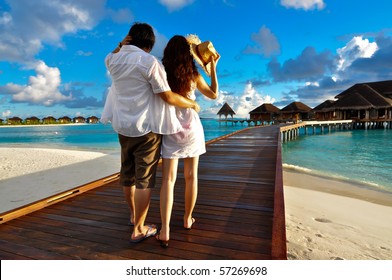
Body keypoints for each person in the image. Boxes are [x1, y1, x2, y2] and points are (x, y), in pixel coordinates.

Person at [103, 23, 200, 243]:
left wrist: (120, 44)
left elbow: (113, 52)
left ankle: (132, 215)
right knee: (144, 179)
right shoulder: (150, 62)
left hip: (122, 127)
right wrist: (191, 104)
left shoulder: (111, 60)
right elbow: (166, 96)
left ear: (129, 39)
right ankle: (139, 228)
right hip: (146, 128)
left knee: (128, 175)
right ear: (149, 44)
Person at [156, 35, 220, 247]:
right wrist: (213, 70)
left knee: (168, 180)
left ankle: (164, 230)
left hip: (170, 127)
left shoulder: (162, 72)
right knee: (191, 177)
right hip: (192, 128)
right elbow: (213, 95)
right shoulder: (193, 74)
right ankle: (187, 219)